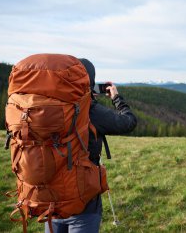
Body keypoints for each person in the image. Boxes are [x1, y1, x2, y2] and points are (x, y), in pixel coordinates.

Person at [45, 58, 137, 233]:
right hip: (83, 203)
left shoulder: (48, 107)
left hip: (52, 200)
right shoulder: (89, 109)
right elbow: (128, 122)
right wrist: (117, 98)